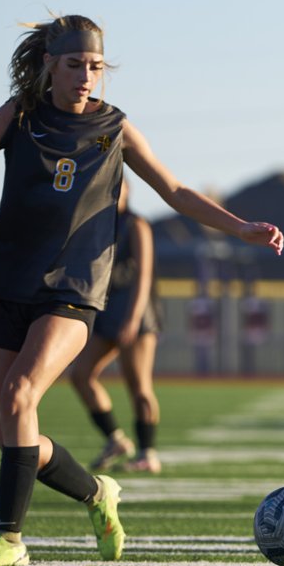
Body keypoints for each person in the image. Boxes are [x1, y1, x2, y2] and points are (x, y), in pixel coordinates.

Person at [0, 14, 284, 566]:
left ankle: (9, 540)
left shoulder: (114, 127)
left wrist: (241, 228)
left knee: (22, 395)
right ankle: (99, 494)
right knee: (14, 436)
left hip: (71, 291)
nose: (86, 76)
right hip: (7, 285)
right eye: (75, 65)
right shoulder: (16, 117)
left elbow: (177, 190)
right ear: (49, 65)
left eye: (95, 67)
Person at [70, 178, 164, 474]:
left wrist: (133, 320)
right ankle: (115, 439)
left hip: (135, 312)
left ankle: (148, 453)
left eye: (119, 186)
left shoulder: (136, 224)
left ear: (127, 191)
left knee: (138, 385)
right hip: (107, 310)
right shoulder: (96, 224)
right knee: (81, 375)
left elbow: (143, 276)